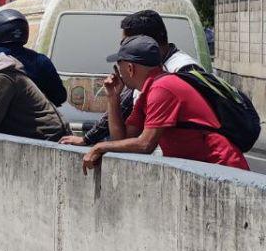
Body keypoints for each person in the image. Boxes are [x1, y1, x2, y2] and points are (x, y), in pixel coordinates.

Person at [81, 35, 248, 172]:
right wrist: (113, 98)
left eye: (119, 68)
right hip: (203, 167)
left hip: (222, 166)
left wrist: (99, 147)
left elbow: (145, 144)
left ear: (130, 68)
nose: (118, 74)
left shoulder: (162, 89)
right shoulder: (149, 91)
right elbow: (122, 139)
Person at [62, 9, 202, 147]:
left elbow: (145, 145)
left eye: (126, 44)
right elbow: (124, 132)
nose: (122, 51)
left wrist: (99, 146)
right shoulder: (145, 78)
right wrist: (88, 138)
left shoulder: (180, 72)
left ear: (143, 42)